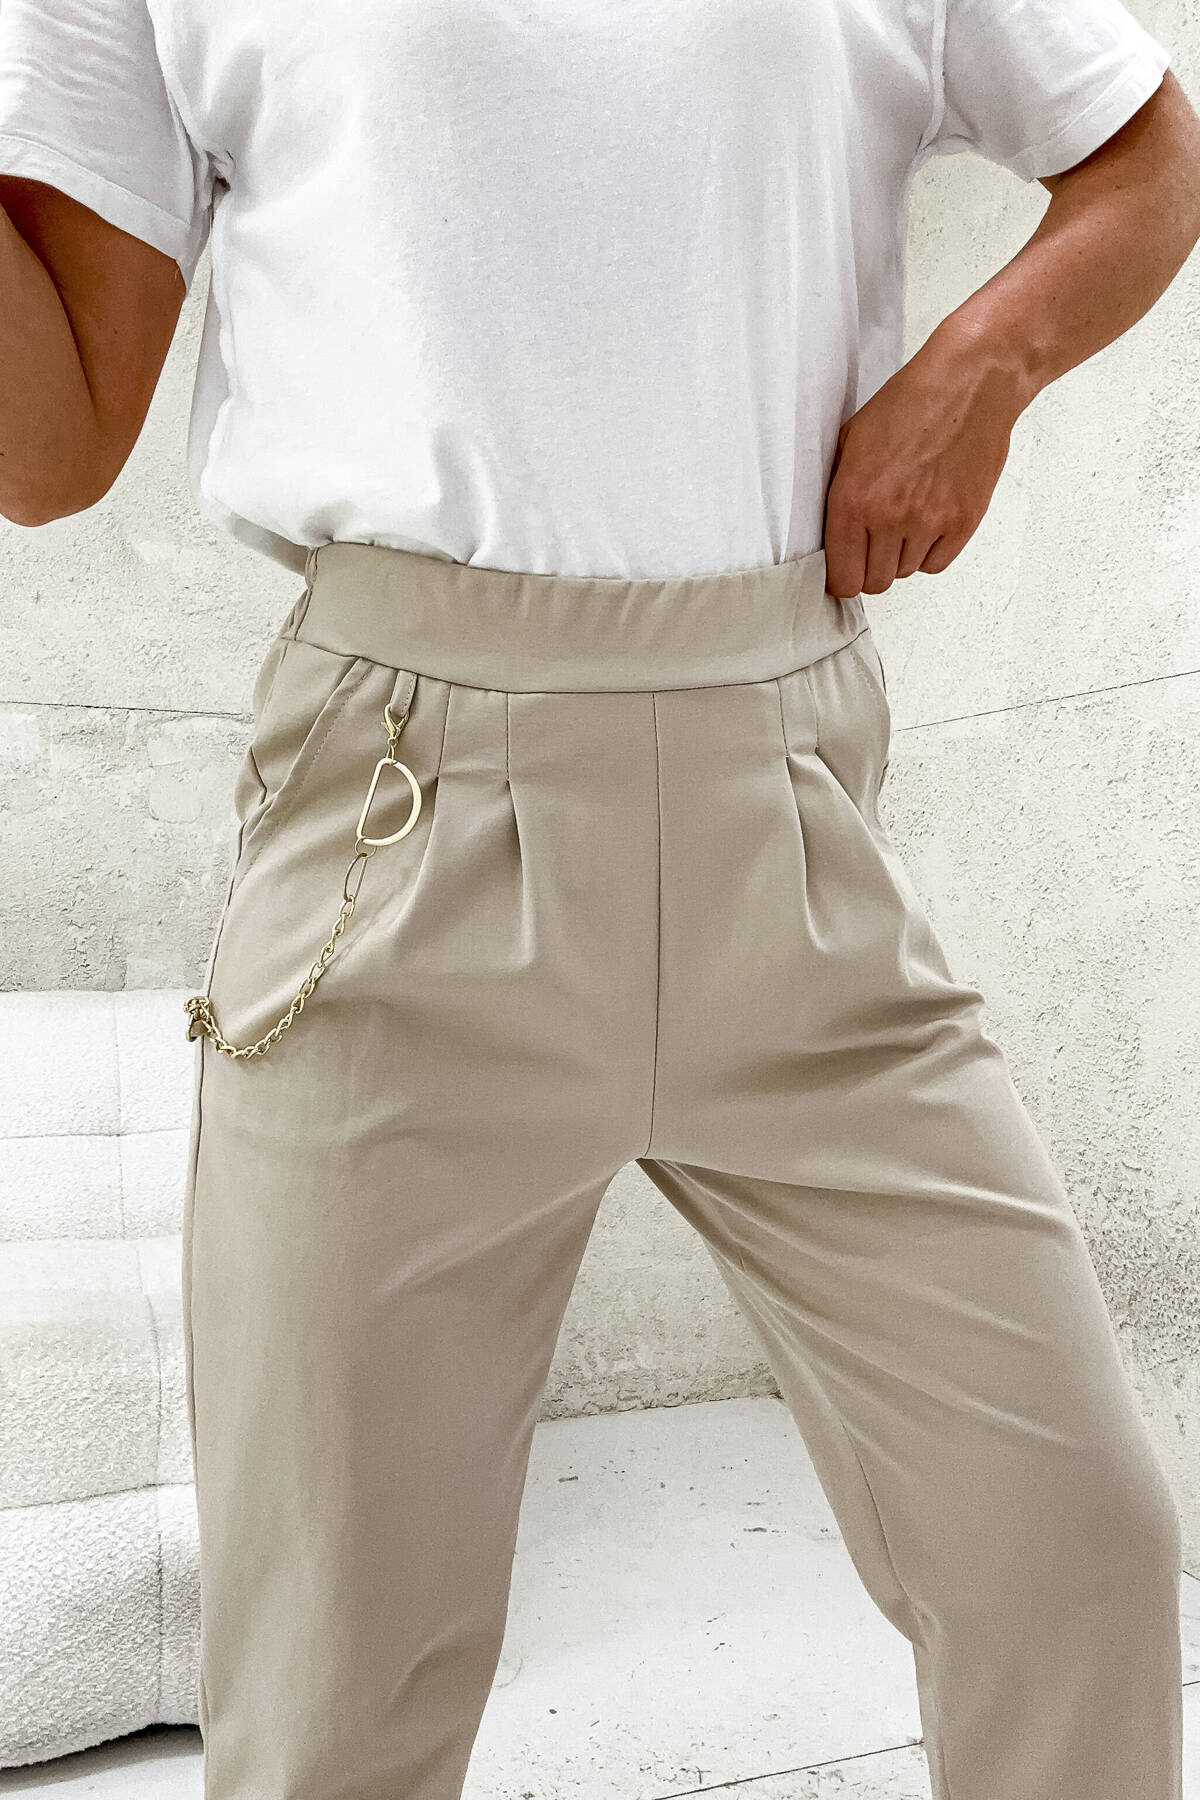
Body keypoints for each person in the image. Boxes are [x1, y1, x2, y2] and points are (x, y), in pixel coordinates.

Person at [0, 1, 1196, 1796]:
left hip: (791, 823)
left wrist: (985, 363)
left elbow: (1149, 153)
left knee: (1074, 1555)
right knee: (332, 1685)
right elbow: (48, 448)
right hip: (400, 828)